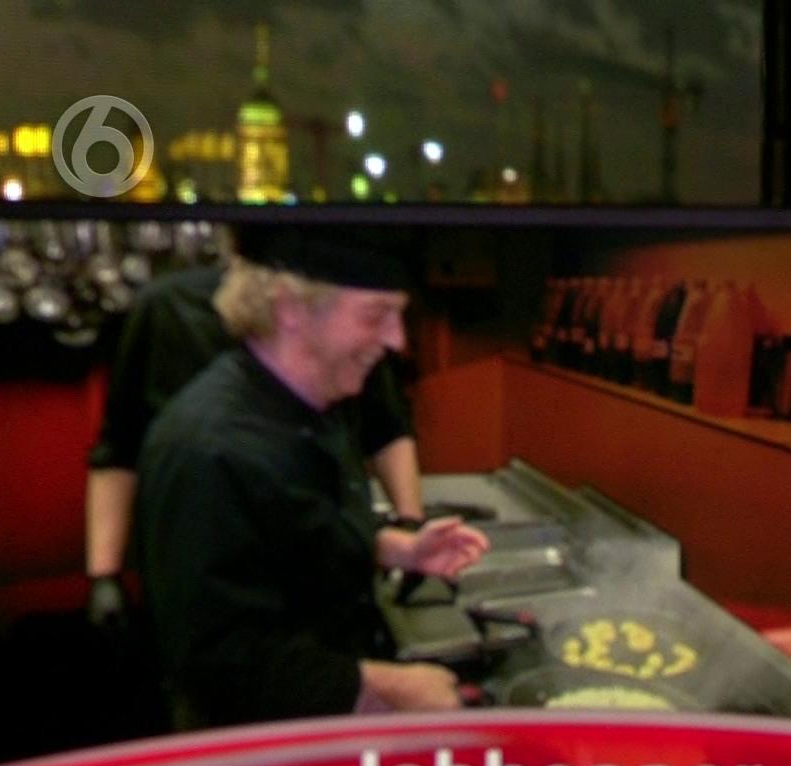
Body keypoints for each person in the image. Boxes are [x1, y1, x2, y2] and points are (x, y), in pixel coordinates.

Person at [134, 230, 488, 727]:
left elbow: (292, 537)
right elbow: (219, 663)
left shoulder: (319, 403)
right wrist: (385, 685)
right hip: (261, 748)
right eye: (376, 315)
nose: (397, 341)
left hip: (326, 704)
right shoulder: (207, 450)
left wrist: (397, 548)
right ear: (290, 309)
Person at [84, 229, 426, 638]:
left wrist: (407, 528)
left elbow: (386, 427)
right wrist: (104, 575)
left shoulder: (344, 325)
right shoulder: (167, 314)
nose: (394, 339)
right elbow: (119, 449)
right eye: (375, 316)